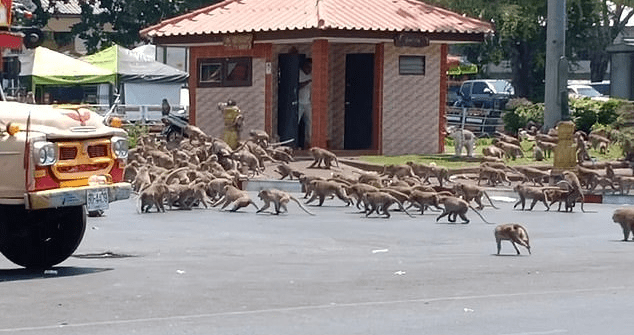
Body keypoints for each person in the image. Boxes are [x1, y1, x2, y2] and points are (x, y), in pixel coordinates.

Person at [298, 58, 312, 148]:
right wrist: (307, 82)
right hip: (299, 102)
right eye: (308, 67)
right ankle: (294, 142)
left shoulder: (311, 75)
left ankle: (309, 142)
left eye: (310, 67)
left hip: (307, 103)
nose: (309, 69)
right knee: (296, 122)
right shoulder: (299, 73)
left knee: (310, 123)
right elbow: (297, 85)